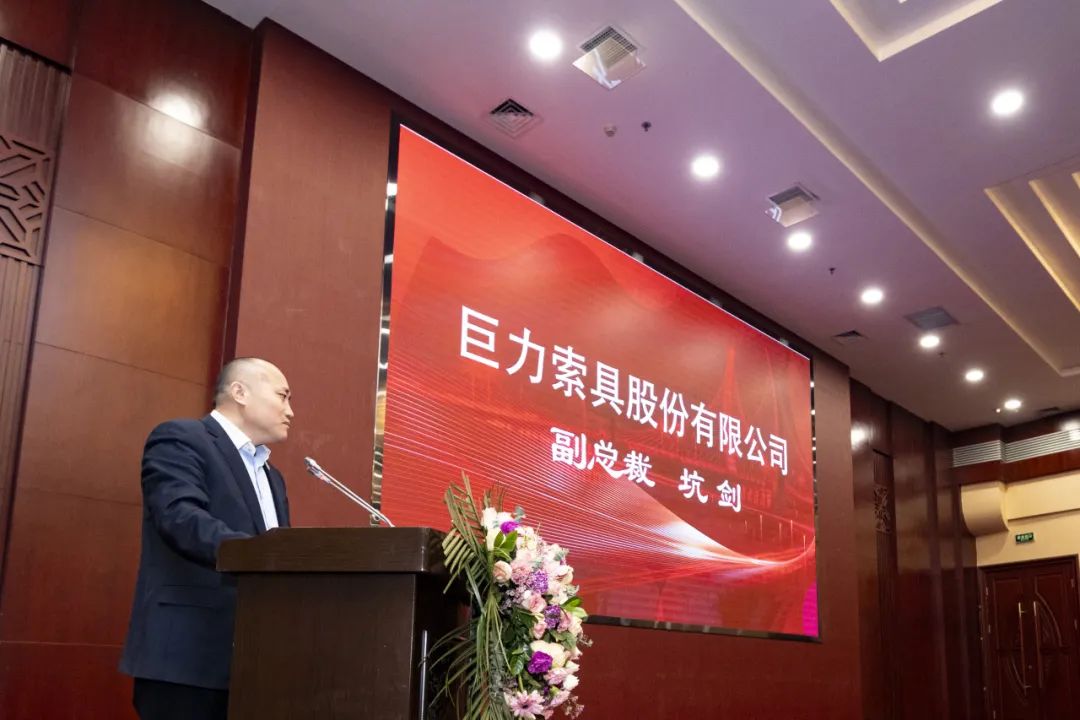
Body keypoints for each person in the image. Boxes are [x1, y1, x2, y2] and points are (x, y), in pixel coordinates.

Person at [119, 357, 294, 719]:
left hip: (253, 662)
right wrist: (262, 554)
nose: (290, 411)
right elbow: (179, 518)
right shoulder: (181, 438)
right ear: (240, 392)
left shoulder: (272, 476)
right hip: (187, 658)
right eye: (283, 396)